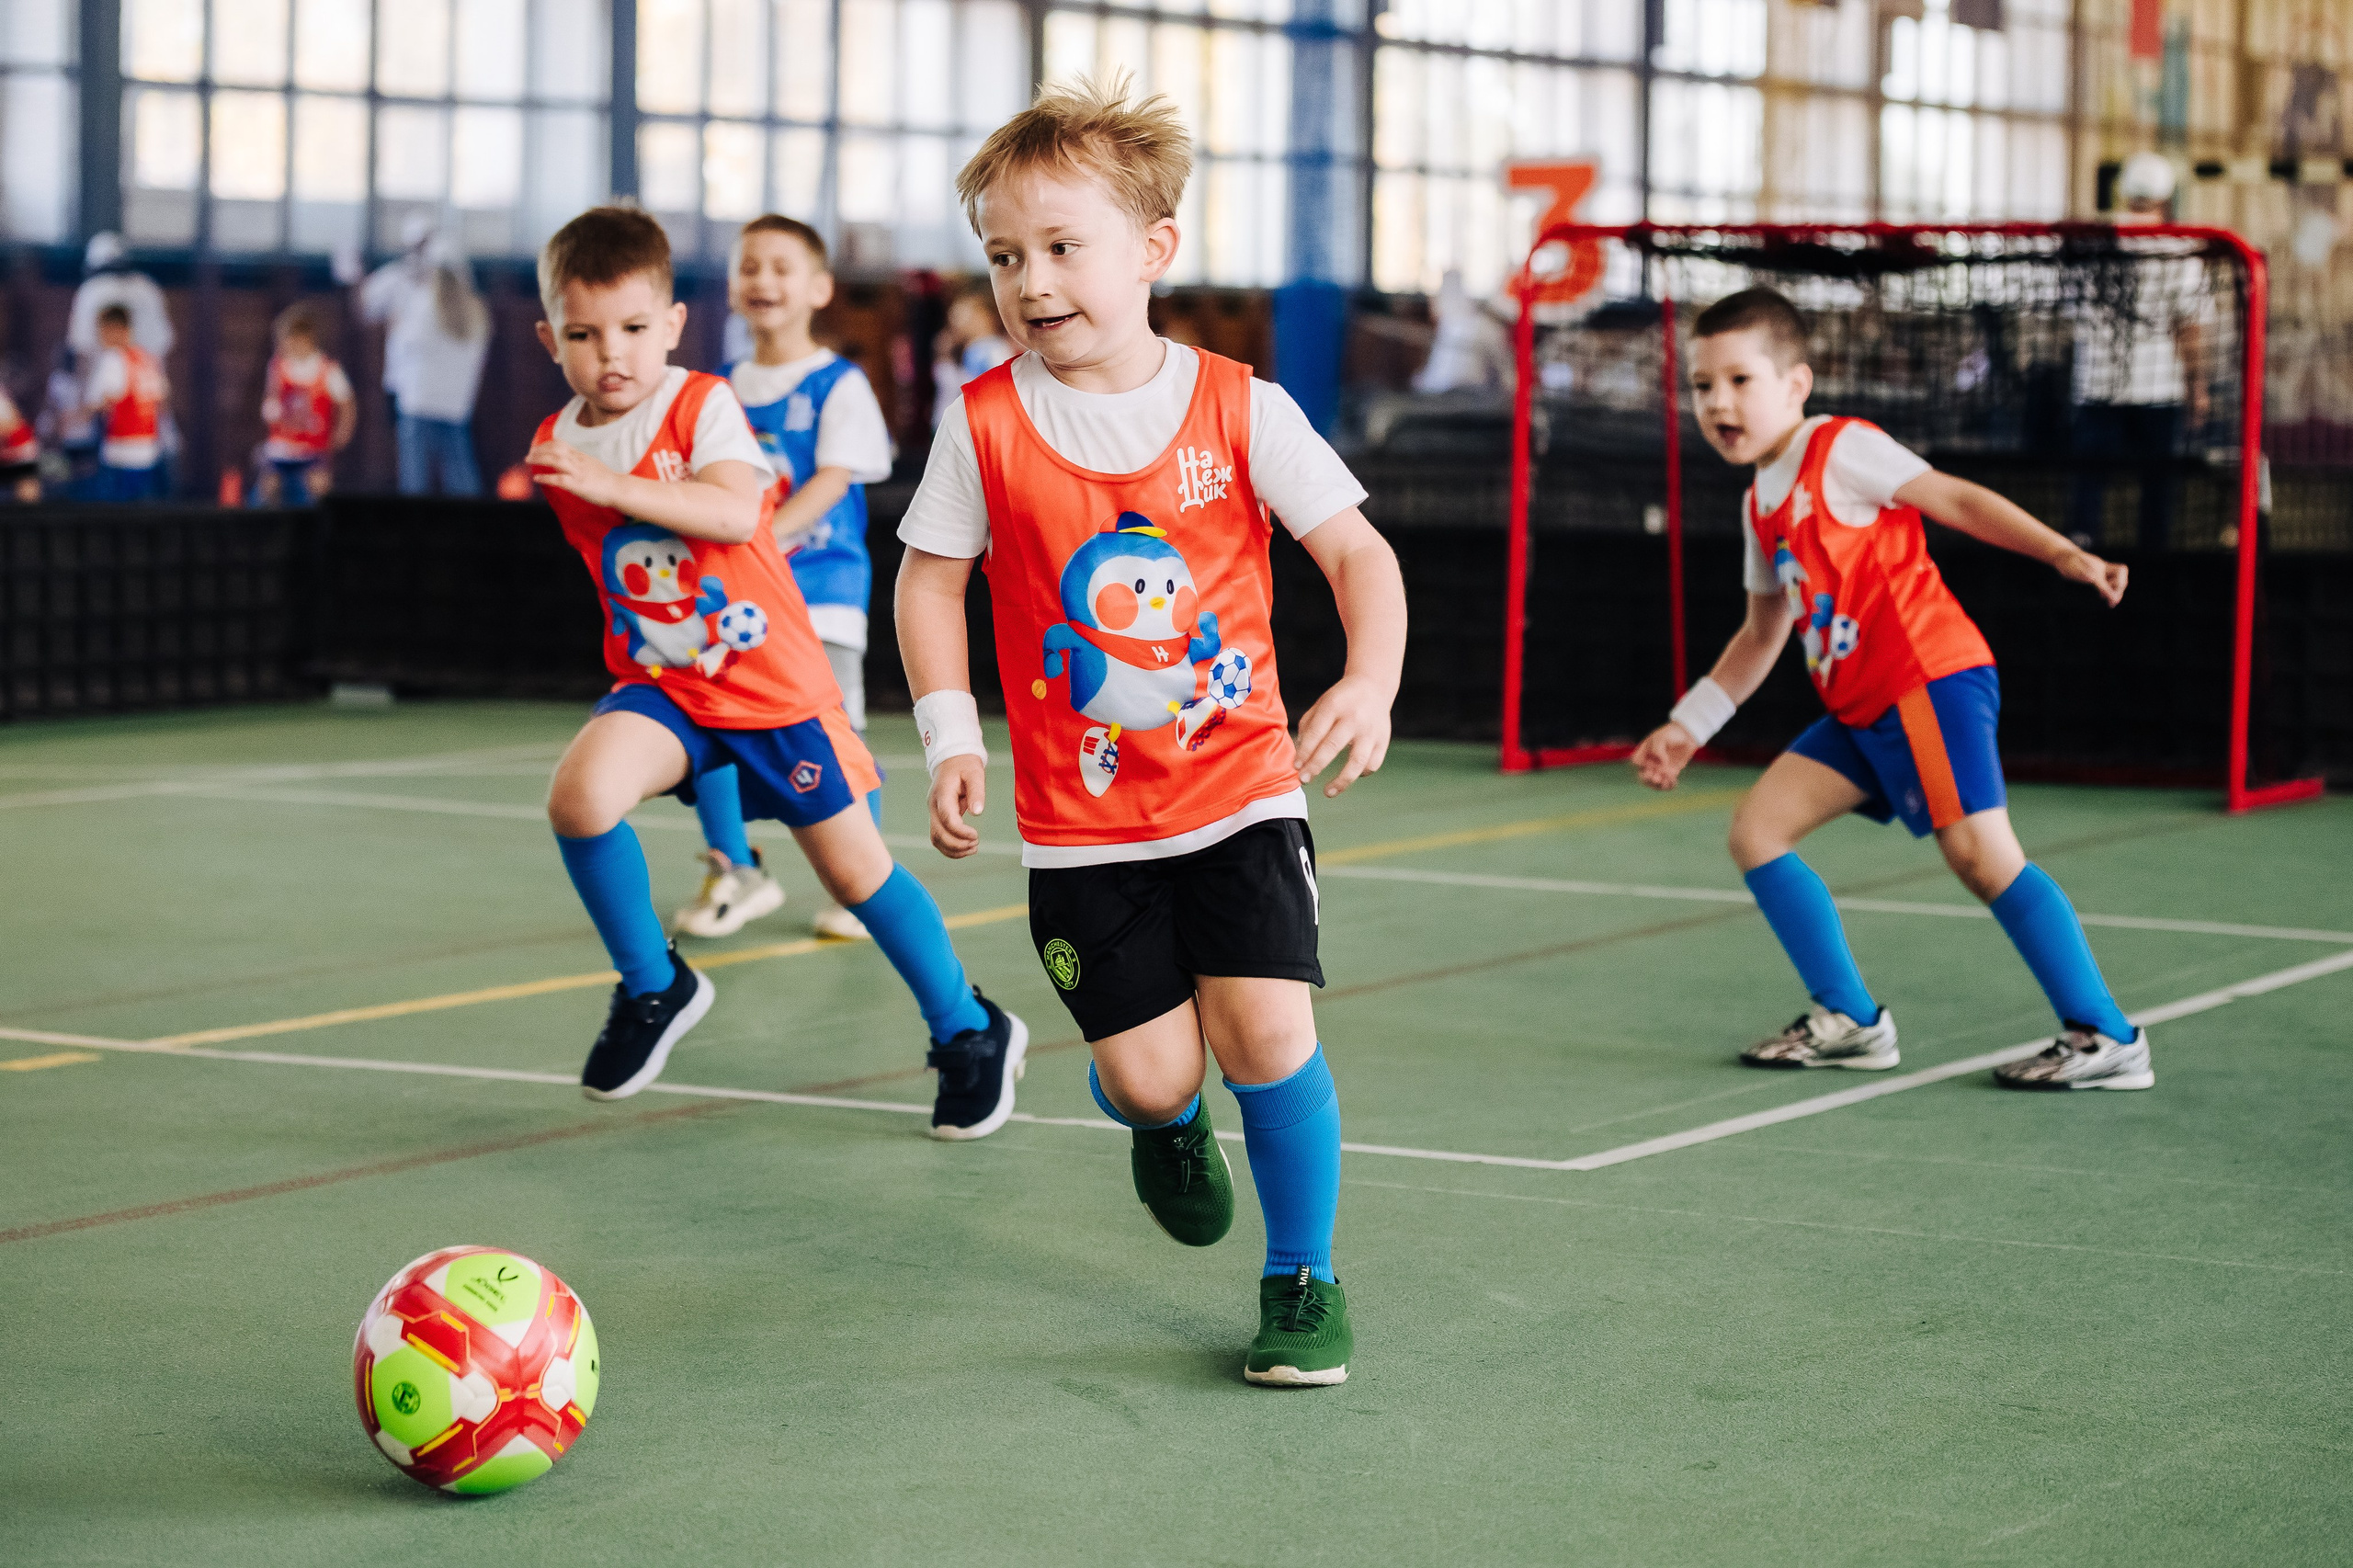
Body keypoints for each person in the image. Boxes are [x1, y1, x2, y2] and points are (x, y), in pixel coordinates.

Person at [896, 77, 1406, 1386]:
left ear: (1154, 252)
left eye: (1064, 246)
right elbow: (930, 578)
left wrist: (1371, 680)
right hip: (1081, 823)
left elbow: (1357, 554)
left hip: (1241, 788)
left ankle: (1303, 1277)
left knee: (1269, 1036)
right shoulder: (987, 424)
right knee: (1146, 1073)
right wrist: (954, 733)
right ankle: (1160, 1123)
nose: (1032, 278)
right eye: (1006, 255)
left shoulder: (1242, 407)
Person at [525, 206, 1026, 1139]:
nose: (612, 355)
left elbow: (732, 513)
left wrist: (616, 488)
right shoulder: (564, 437)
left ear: (672, 325)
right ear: (552, 338)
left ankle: (968, 1026)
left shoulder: (703, 403)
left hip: (771, 685)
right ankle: (654, 984)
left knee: (853, 875)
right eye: (586, 336)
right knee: (580, 796)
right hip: (668, 684)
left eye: (635, 329)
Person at [1630, 287, 2152, 1093]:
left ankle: (2106, 1035)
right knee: (1758, 831)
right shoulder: (1759, 501)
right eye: (1702, 386)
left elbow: (1953, 499)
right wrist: (1688, 724)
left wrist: (2062, 553)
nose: (1718, 402)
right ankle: (1850, 1022)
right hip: (1863, 707)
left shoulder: (1840, 447)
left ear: (1796, 384)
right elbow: (1762, 632)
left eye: (1740, 380)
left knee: (1979, 855)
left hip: (1929, 678)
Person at [671, 215, 896, 944]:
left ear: (820, 288)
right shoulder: (717, 390)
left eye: (781, 267)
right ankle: (736, 870)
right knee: (711, 728)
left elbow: (833, 481)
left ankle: (865, 883)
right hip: (736, 604)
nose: (763, 280)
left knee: (836, 740)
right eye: (749, 267)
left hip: (821, 599)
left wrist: (759, 535)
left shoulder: (839, 384)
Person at [2067, 152, 2208, 550]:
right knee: (2157, 483)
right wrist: (2198, 387)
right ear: (2166, 197)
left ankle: (2080, 556)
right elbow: (2190, 326)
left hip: (2096, 382)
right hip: (2159, 387)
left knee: (2088, 482)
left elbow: (2068, 310)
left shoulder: (2089, 244)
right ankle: (2152, 563)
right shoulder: (2181, 248)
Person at [360, 222, 492, 495]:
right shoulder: (476, 310)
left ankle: (414, 532)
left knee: (415, 480)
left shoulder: (424, 304)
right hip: (455, 404)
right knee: (460, 474)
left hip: (418, 403)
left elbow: (405, 344)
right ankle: (474, 531)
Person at [254, 303, 357, 506]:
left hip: (314, 449)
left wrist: (342, 433)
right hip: (281, 447)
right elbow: (270, 398)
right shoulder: (277, 366)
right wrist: (270, 410)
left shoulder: (328, 370)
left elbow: (348, 404)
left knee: (320, 489)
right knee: (268, 487)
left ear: (304, 338)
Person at [80, 304, 169, 502]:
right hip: (148, 450)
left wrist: (79, 414)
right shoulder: (148, 359)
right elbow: (161, 401)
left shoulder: (113, 359)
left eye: (102, 332)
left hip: (119, 453)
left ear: (115, 330)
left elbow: (102, 402)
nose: (100, 338)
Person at [931, 282, 1017, 426]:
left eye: (962, 315)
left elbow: (999, 389)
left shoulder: (991, 348)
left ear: (983, 317)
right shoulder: (974, 349)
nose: (956, 322)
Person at [0, 387, 40, 501]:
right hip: (8, 453)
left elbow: (10, 426)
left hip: (20, 455)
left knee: (27, 489)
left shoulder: (3, 406)